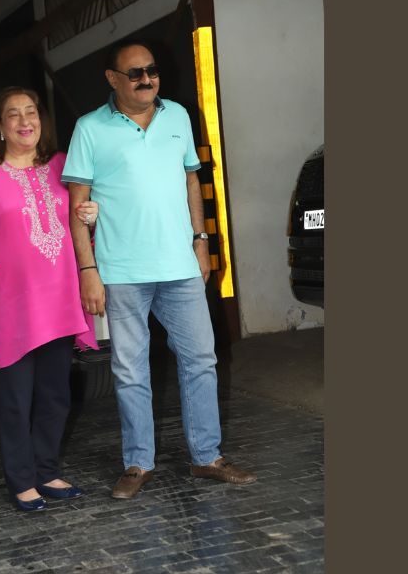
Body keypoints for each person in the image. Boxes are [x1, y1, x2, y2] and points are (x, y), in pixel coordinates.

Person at [62, 39, 257, 500]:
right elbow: (76, 205)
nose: (146, 79)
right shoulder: (89, 128)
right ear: (112, 79)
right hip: (121, 270)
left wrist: (201, 241)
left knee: (201, 360)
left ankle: (206, 457)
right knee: (130, 370)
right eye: (135, 73)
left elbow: (191, 180)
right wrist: (87, 268)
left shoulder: (178, 116)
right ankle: (137, 463)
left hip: (179, 266)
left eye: (151, 70)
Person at [0, 86, 99, 512]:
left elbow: (81, 218)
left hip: (59, 301)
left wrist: (92, 216)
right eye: (13, 114)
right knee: (16, 400)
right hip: (11, 306)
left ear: (40, 120)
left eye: (30, 112)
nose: (24, 121)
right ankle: (21, 480)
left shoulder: (62, 166)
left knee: (56, 394)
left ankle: (46, 471)